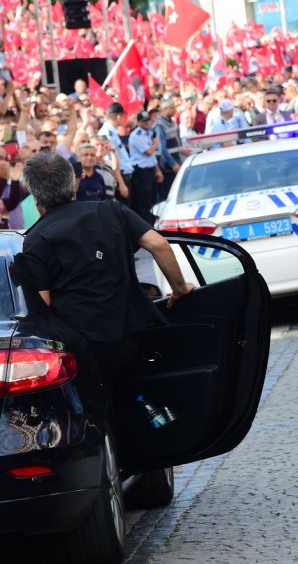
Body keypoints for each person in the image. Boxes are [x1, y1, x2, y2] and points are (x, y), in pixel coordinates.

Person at [18, 152, 194, 410]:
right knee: (140, 400)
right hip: (130, 332)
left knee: (99, 411)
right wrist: (180, 288)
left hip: (82, 345)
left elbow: (42, 303)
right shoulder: (111, 210)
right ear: (73, 183)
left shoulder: (35, 240)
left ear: (35, 198)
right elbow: (158, 244)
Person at [128, 111, 162, 225]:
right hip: (141, 172)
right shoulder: (136, 135)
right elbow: (149, 151)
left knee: (153, 199)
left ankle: (153, 223)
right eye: (144, 121)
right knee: (144, 202)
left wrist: (157, 170)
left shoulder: (149, 133)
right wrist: (156, 143)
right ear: (138, 122)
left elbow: (152, 156)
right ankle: (146, 225)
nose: (147, 123)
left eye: (148, 120)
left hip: (150, 170)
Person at [98, 102, 131, 200]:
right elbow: (110, 162)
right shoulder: (105, 133)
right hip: (120, 176)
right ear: (118, 116)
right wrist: (121, 183)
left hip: (125, 174)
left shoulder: (113, 131)